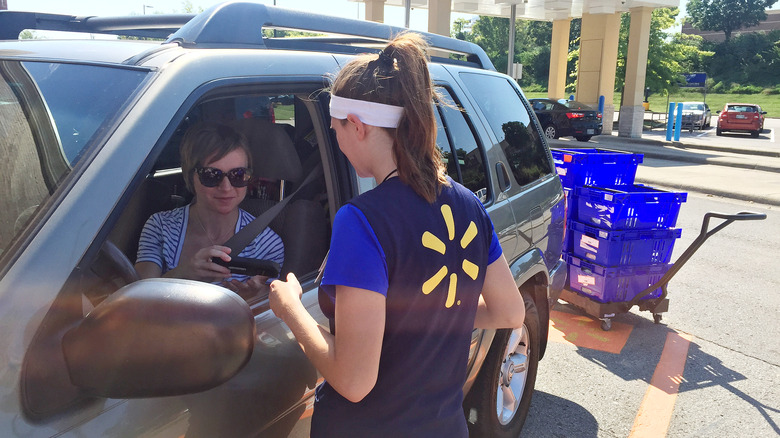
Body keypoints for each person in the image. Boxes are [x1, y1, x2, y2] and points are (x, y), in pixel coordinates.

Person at [269, 33, 525, 437]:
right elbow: (510, 312)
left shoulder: (361, 220)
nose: (335, 140)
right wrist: (437, 312)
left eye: (334, 129)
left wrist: (290, 310)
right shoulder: (468, 205)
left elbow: (355, 383)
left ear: (356, 125)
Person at [135, 121, 284, 298]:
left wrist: (253, 296)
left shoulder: (268, 244)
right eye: (211, 175)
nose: (226, 187)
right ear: (190, 175)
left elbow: (269, 310)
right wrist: (184, 272)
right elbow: (139, 298)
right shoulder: (160, 226)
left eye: (238, 175)